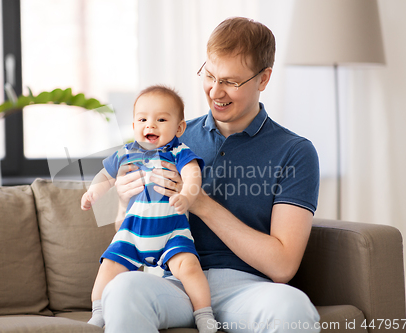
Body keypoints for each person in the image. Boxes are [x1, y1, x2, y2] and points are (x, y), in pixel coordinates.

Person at [101, 17, 322, 333]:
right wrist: (125, 203)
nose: (215, 91)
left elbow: (282, 265)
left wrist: (200, 202)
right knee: (122, 291)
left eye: (231, 82)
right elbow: (129, 235)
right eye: (209, 75)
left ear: (263, 79)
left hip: (246, 289)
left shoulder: (295, 151)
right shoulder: (170, 137)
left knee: (292, 307)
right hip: (172, 282)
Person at [81, 85, 217, 333]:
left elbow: (193, 174)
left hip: (171, 232)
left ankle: (204, 314)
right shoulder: (127, 152)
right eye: (142, 119)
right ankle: (98, 314)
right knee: (108, 267)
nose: (150, 125)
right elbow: (105, 175)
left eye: (161, 119)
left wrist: (187, 196)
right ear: (133, 125)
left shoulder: (178, 152)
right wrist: (93, 192)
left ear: (179, 128)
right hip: (132, 232)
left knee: (189, 267)